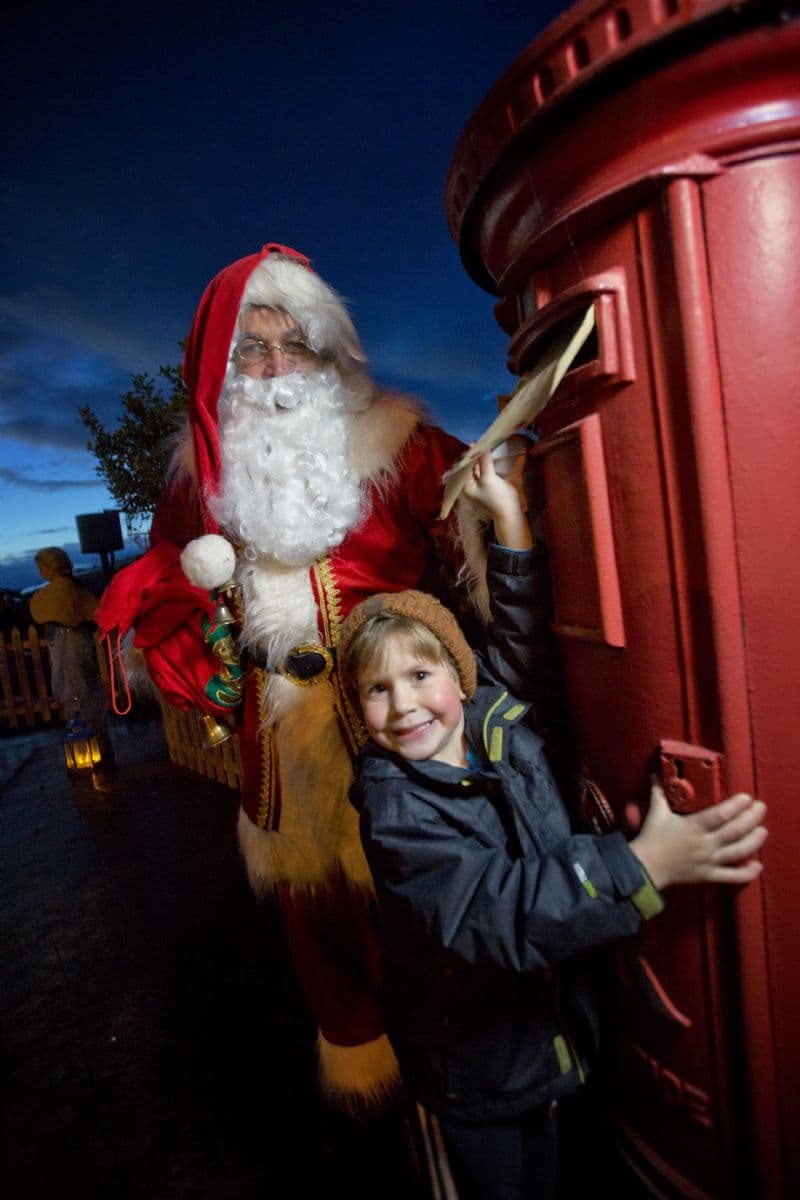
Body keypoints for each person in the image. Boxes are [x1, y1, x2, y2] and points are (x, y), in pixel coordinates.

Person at [93, 243, 503, 1112]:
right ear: (224, 366)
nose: (276, 368)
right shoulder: (200, 480)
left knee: (429, 894)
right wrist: (204, 665)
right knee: (313, 904)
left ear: (331, 355)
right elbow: (165, 582)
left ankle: (461, 1066)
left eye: (296, 346)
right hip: (275, 736)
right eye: (253, 350)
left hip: (399, 712)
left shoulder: (404, 444)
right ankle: (363, 1064)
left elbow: (486, 525)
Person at [337, 450, 768, 1200]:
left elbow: (525, 637)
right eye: (376, 691)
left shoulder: (491, 714)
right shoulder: (395, 809)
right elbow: (489, 909)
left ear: (459, 677)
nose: (404, 707)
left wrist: (508, 516)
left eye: (419, 676)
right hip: (472, 1069)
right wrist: (641, 867)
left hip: (551, 1034)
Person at [29, 548, 108, 737]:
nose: (40, 572)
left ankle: (85, 735)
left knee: (74, 686)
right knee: (81, 686)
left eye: (41, 568)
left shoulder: (58, 591)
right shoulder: (76, 588)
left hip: (70, 643)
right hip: (76, 641)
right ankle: (93, 734)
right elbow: (94, 610)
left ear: (51, 567)